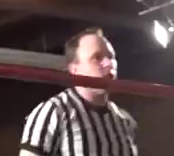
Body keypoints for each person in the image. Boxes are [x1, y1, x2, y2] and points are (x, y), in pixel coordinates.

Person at [20, 27, 139, 156]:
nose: (109, 63)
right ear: (74, 69)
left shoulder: (124, 121)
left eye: (111, 57)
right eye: (97, 57)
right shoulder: (53, 112)